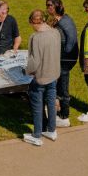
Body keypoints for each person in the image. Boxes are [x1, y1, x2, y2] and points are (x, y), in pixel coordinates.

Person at [24, 8, 61, 146]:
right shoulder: (55, 32)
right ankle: (51, 130)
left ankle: (37, 135)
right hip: (53, 75)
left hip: (40, 78)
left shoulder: (36, 37)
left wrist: (26, 71)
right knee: (51, 103)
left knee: (37, 105)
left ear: (33, 22)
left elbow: (35, 62)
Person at [46, 0, 79, 127]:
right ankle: (59, 110)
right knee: (59, 85)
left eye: (50, 5)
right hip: (64, 59)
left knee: (63, 88)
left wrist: (63, 56)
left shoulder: (63, 23)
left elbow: (70, 42)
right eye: (47, 5)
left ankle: (64, 117)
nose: (48, 7)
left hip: (64, 60)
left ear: (57, 7)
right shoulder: (63, 19)